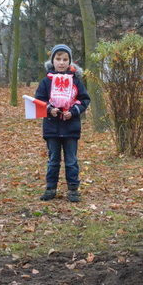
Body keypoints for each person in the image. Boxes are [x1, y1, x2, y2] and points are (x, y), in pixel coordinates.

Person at [34, 44, 91, 202]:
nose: (61, 62)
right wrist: (49, 109)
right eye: (58, 59)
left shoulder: (76, 81)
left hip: (71, 128)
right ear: (52, 61)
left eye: (65, 59)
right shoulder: (46, 81)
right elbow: (39, 100)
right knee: (53, 160)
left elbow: (84, 100)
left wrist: (73, 112)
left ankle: (73, 189)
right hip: (51, 128)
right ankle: (50, 188)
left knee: (71, 160)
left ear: (70, 62)